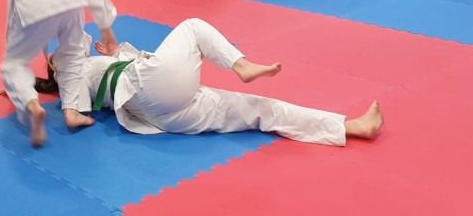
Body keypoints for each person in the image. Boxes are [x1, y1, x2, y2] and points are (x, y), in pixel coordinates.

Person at [83, 18, 383, 146]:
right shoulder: (75, 74)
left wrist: (116, 52)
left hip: (165, 114)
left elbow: (138, 72)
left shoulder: (88, 69)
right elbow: (75, 109)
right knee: (192, 26)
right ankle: (241, 65)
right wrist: (73, 110)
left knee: (260, 109)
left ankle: (349, 127)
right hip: (148, 91)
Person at [1, 0, 118, 147]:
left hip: (34, 5)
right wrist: (105, 27)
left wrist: (11, 46)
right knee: (72, 54)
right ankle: (72, 111)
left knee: (14, 64)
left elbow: (12, 16)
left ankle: (32, 104)